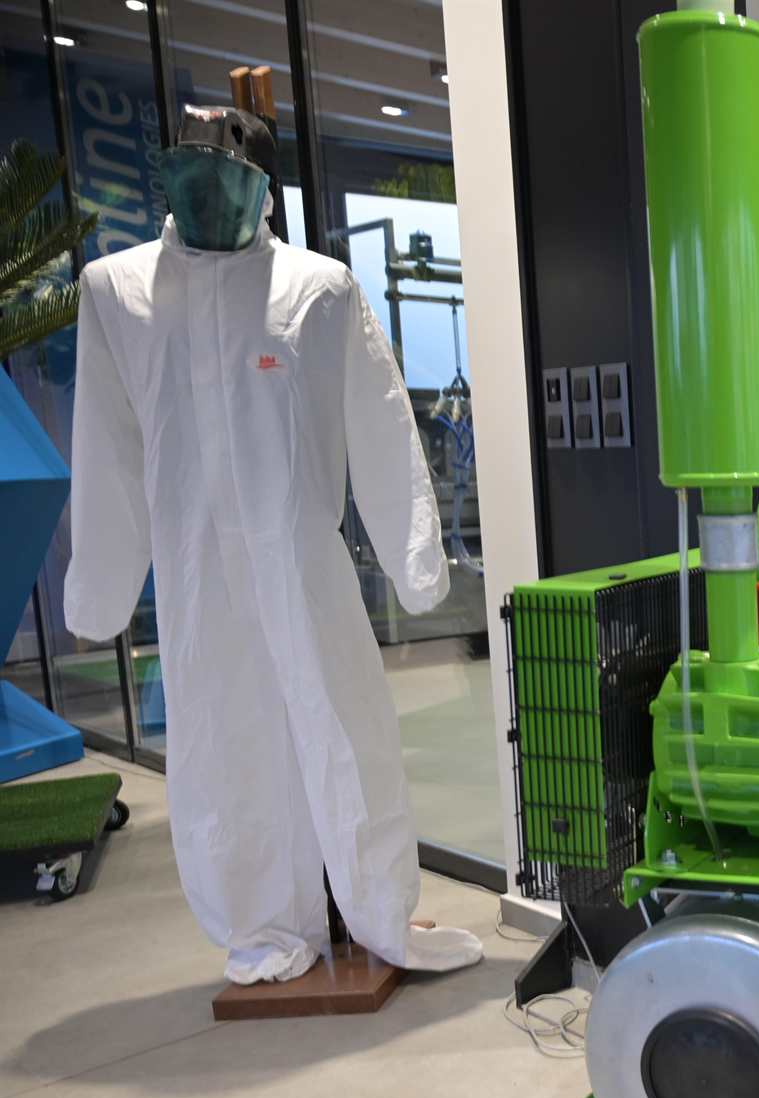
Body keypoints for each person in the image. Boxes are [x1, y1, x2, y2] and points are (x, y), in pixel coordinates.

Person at [65, 105, 483, 983]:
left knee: (345, 732)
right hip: (195, 573)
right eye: (186, 170)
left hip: (302, 563)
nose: (204, 188)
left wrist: (416, 563)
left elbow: (379, 421)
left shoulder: (318, 290)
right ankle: (262, 928)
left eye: (224, 173)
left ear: (262, 186)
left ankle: (377, 911)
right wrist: (100, 586)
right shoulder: (116, 292)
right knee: (225, 744)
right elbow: (106, 448)